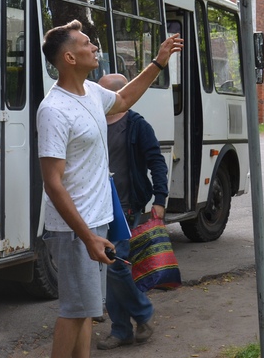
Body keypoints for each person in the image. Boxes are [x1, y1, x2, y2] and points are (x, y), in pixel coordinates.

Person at [37, 20, 182, 358]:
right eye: (87, 43)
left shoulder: (91, 92)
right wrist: (87, 236)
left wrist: (158, 62)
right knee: (74, 312)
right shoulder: (54, 110)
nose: (94, 48)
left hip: (98, 218)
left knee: (87, 308)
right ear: (70, 58)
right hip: (77, 228)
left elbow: (125, 97)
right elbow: (52, 182)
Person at [95, 73, 169, 351]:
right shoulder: (95, 121)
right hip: (99, 206)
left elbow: (156, 162)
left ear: (117, 96)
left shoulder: (137, 125)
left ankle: (141, 314)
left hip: (126, 205)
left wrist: (160, 197)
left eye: (103, 94)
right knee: (112, 265)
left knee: (116, 265)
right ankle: (122, 330)